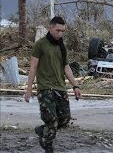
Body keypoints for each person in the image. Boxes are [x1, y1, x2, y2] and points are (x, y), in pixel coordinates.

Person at [24, 16, 81, 153]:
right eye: (58, 30)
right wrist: (29, 89)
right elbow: (33, 68)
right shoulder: (40, 44)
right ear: (50, 28)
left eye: (63, 31)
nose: (60, 33)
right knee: (52, 122)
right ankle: (48, 147)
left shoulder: (61, 46)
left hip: (60, 88)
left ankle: (41, 130)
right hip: (45, 89)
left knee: (64, 120)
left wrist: (75, 86)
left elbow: (66, 67)